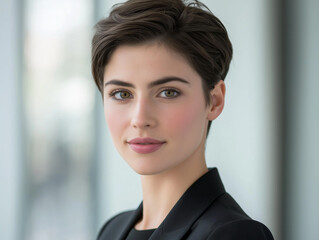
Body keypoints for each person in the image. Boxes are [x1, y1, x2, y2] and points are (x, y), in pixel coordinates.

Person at [91, 0, 274, 239]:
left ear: (215, 101)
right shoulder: (112, 230)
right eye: (122, 94)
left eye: (168, 92)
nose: (140, 119)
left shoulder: (233, 233)